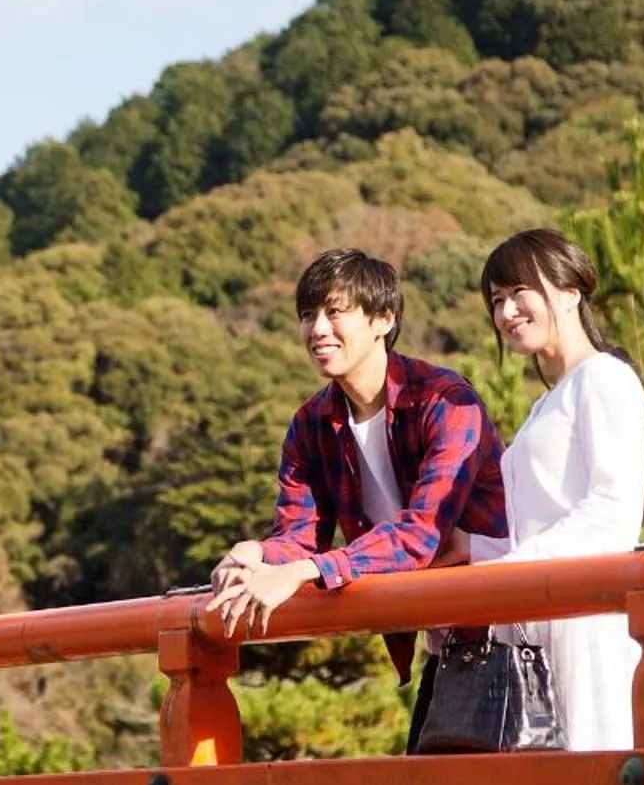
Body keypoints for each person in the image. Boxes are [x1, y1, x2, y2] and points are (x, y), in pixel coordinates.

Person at [208, 248, 507, 744]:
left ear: (383, 319)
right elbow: (300, 536)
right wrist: (255, 555)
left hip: (511, 630)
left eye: (335, 312)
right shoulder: (311, 424)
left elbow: (422, 535)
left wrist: (303, 571)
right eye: (308, 315)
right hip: (446, 644)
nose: (318, 329)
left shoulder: (444, 400)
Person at [468, 228, 644, 785]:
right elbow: (528, 531)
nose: (507, 311)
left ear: (570, 290)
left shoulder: (604, 380)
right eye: (496, 299)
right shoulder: (547, 405)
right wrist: (465, 556)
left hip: (593, 628)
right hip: (547, 628)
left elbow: (611, 511)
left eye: (521, 292)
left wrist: (508, 573)